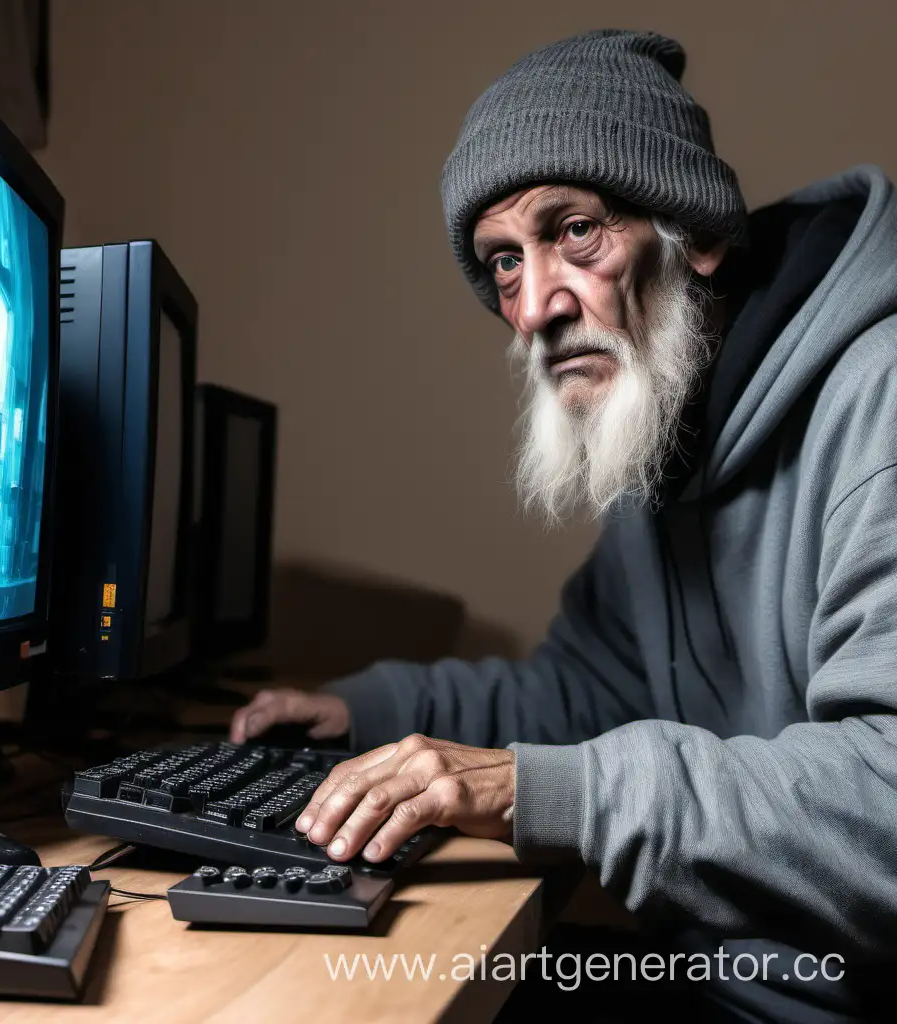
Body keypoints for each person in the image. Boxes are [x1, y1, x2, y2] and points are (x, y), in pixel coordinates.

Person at [231, 29, 897, 1022]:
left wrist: (536, 790)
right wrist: (375, 713)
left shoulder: (878, 400)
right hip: (708, 977)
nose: (536, 303)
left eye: (573, 232)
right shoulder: (669, 425)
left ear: (694, 233)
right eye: (503, 262)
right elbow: (588, 693)